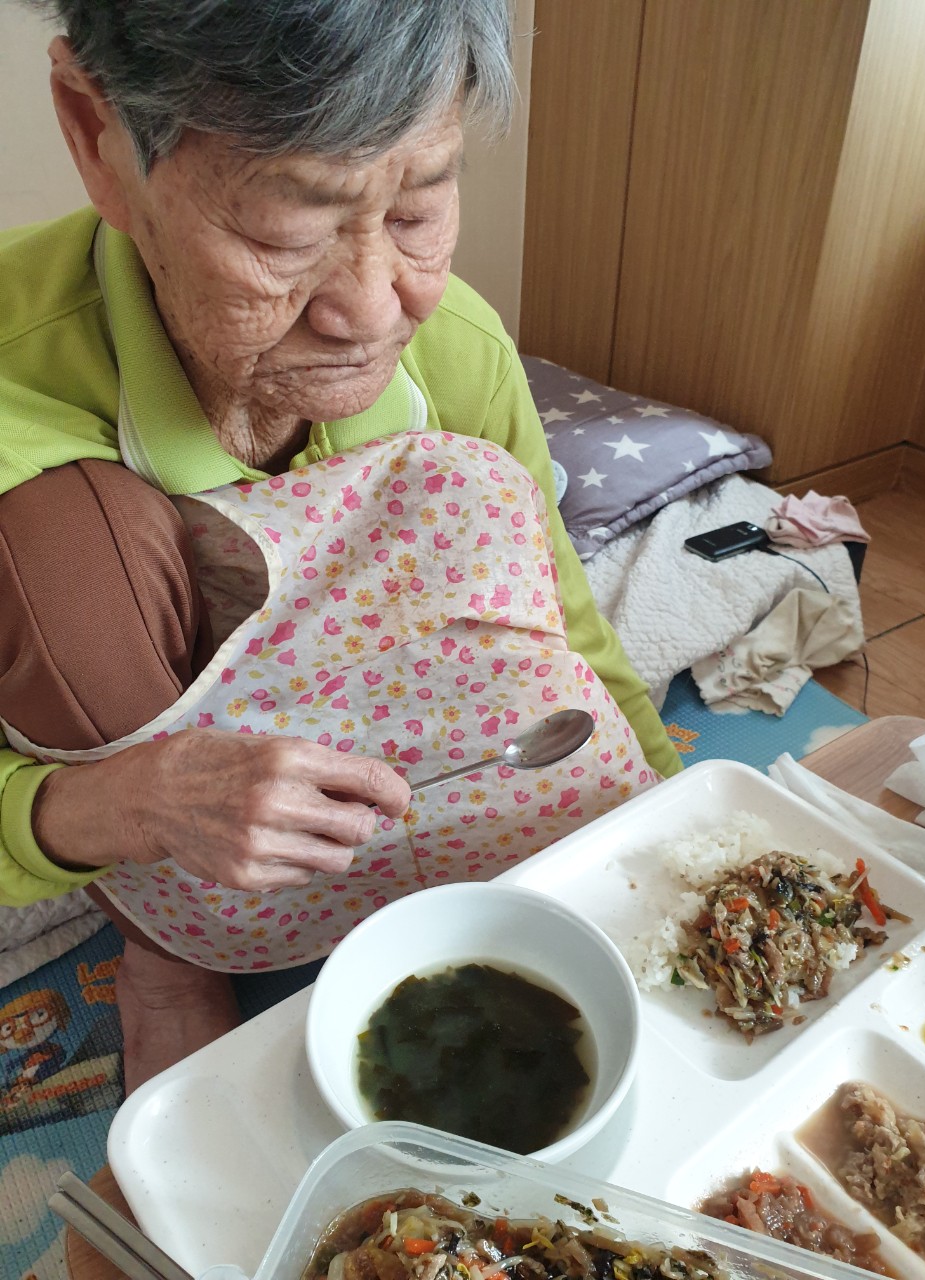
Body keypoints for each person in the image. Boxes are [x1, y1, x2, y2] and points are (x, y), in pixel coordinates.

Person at [0, 0, 681, 1092]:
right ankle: (167, 953)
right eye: (285, 234)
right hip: (155, 805)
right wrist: (130, 800)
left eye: (419, 208)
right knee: (68, 558)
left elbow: (566, 627)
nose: (369, 309)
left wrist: (668, 821)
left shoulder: (457, 351)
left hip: (384, 768)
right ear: (97, 134)